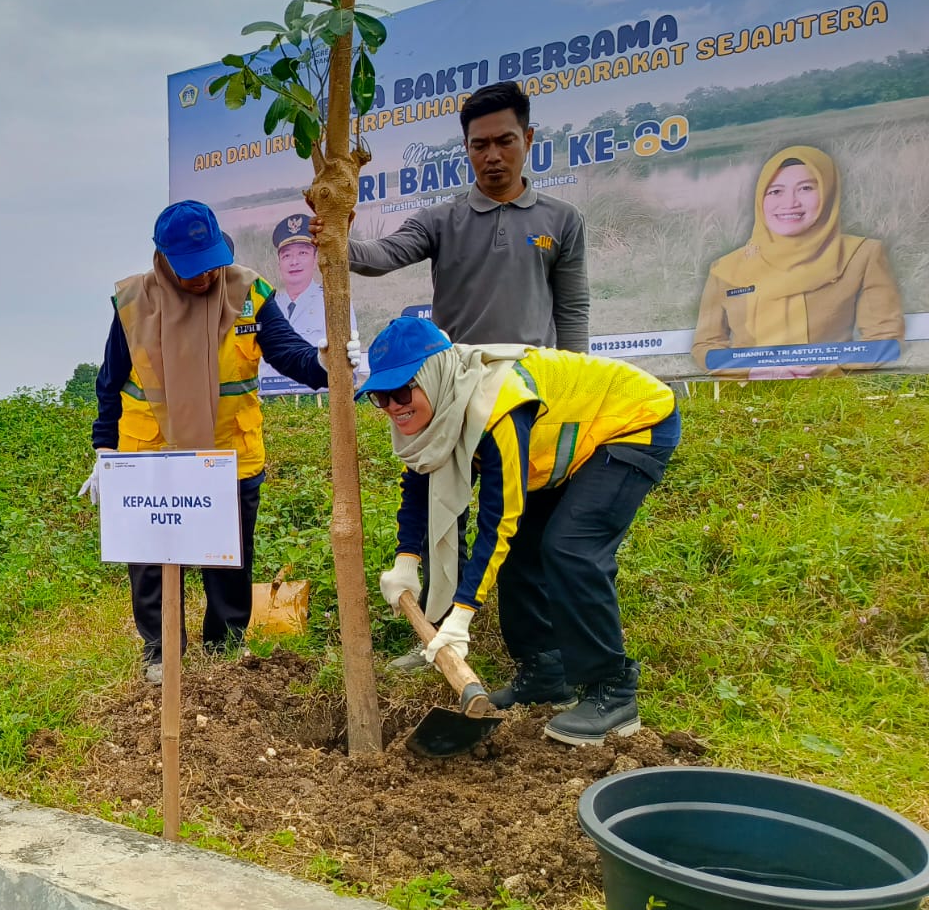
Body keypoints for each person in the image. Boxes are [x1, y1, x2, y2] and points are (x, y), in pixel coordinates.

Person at [363, 316, 679, 745]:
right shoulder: (434, 414)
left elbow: (499, 520)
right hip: (561, 445)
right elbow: (420, 484)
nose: (393, 407)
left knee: (571, 548)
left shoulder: (496, 408)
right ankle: (547, 672)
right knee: (523, 555)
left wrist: (461, 616)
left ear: (434, 375)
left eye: (402, 391)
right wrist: (406, 560)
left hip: (631, 423)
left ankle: (614, 691)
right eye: (380, 397)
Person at [84, 200, 359, 684]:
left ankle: (225, 648)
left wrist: (326, 361)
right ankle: (160, 651)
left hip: (227, 456)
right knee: (151, 560)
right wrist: (104, 450)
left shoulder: (248, 292)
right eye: (189, 269)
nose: (202, 277)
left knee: (227, 559)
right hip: (151, 456)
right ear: (161, 259)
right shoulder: (134, 305)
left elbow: (289, 353)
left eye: (210, 263)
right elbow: (111, 382)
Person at [309, 81, 590, 353]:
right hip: (459, 382)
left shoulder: (564, 219)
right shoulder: (439, 220)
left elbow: (572, 309)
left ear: (527, 139)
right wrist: (336, 239)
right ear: (467, 147)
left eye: (505, 141)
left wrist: (576, 384)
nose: (493, 156)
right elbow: (384, 254)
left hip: (533, 382)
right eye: (480, 145)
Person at [692, 145, 904, 374]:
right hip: (745, 397)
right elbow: (706, 346)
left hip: (833, 395)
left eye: (805, 188)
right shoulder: (726, 269)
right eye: (775, 191)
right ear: (760, 199)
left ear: (828, 192)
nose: (790, 203)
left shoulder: (862, 254)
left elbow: (885, 339)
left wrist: (827, 367)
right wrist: (756, 370)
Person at [258, 212, 368, 392]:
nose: (294, 262)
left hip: (319, 396)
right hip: (271, 399)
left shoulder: (333, 302)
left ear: (315, 258)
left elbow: (346, 357)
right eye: (286, 256)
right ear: (279, 263)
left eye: (302, 253)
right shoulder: (266, 305)